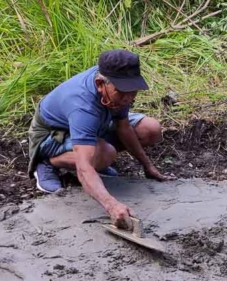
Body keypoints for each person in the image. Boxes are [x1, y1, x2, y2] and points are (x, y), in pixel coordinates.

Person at [28, 49, 170, 229]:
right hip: (52, 135)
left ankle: (97, 158)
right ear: (100, 84)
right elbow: (83, 168)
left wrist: (147, 166)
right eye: (122, 92)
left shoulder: (119, 88)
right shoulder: (82, 105)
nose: (128, 98)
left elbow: (123, 126)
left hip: (96, 122)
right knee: (104, 154)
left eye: (133, 91)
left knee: (150, 129)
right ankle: (48, 163)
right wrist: (111, 205)